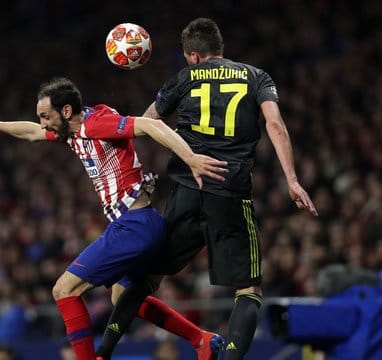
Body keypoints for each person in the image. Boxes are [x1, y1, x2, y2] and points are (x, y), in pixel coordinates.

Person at [97, 17, 318, 360]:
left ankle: (103, 352)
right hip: (229, 193)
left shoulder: (183, 78)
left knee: (147, 278)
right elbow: (275, 124)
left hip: (185, 190)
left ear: (194, 56)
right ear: (220, 49)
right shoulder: (256, 76)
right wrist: (291, 178)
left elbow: (147, 123)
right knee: (247, 290)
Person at [0, 77, 229, 360]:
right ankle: (202, 339)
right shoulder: (73, 131)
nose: (42, 124)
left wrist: (191, 159)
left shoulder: (95, 124)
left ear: (66, 111)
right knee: (121, 298)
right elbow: (31, 133)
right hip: (139, 224)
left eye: (45, 116)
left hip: (134, 226)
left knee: (64, 290)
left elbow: (152, 125)